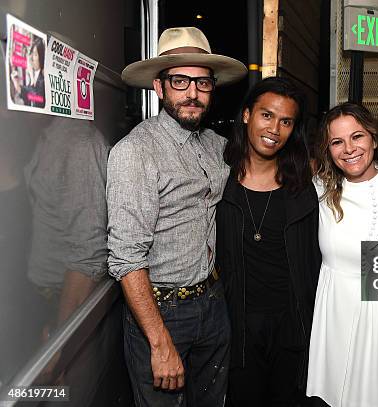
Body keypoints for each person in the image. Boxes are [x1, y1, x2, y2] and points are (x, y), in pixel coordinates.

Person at [107, 27, 246, 406]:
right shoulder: (136, 152)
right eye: (180, 81)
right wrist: (159, 342)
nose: (192, 93)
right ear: (159, 87)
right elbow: (126, 258)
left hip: (213, 305)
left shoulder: (218, 147)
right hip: (161, 311)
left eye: (202, 83)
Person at [216, 77, 321, 407]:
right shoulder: (218, 181)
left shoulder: (305, 187)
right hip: (238, 328)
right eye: (267, 115)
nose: (275, 129)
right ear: (247, 115)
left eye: (286, 121)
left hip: (293, 328)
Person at [306, 102, 378, 407]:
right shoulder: (321, 188)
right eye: (337, 141)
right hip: (332, 313)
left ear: (373, 138)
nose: (349, 149)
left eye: (357, 136)